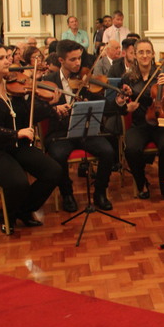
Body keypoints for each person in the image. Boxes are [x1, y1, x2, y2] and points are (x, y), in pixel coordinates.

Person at [0, 43, 62, 233]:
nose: (8, 61)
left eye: (7, 57)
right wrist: (15, 134)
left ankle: (23, 210)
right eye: (1, 58)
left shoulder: (11, 86)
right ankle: (7, 215)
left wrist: (50, 106)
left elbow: (25, 115)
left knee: (53, 171)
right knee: (18, 182)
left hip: (13, 145)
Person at [42, 40, 116, 213]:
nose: (78, 63)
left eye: (80, 58)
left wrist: (117, 102)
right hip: (59, 133)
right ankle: (67, 193)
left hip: (85, 130)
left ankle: (100, 192)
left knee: (108, 151)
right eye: (73, 59)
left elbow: (103, 103)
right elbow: (37, 110)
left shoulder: (86, 79)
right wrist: (53, 108)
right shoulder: (48, 81)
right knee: (58, 155)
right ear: (61, 60)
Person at [116, 39, 164, 201]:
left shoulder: (162, 76)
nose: (144, 55)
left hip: (162, 123)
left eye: (148, 52)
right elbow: (120, 106)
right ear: (134, 55)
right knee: (131, 149)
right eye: (141, 52)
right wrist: (125, 106)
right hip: (140, 124)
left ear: (153, 54)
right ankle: (141, 182)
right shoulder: (127, 79)